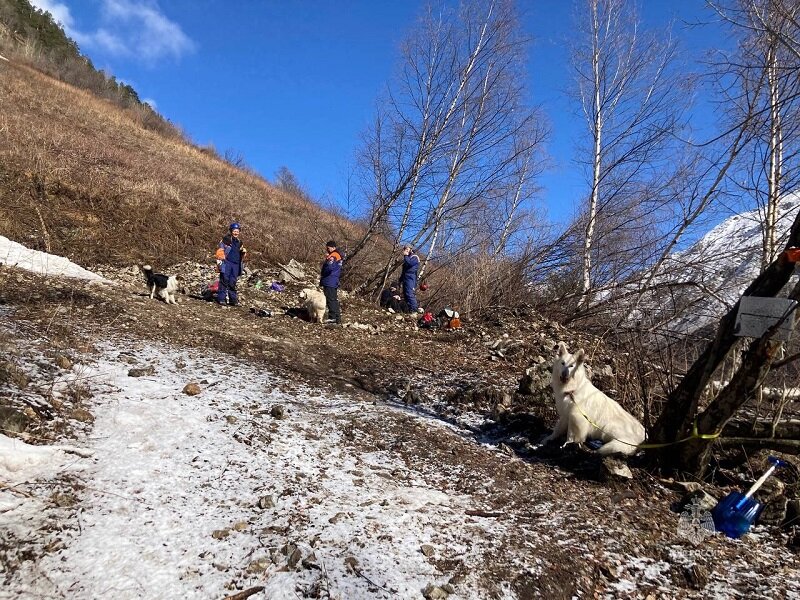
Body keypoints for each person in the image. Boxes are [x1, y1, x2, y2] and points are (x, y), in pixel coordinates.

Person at [215, 222, 247, 306]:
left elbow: (241, 253)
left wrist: (243, 252)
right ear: (231, 231)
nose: (236, 233)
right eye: (234, 231)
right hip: (227, 262)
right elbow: (220, 250)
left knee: (233, 282)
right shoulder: (226, 240)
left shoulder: (240, 242)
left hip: (236, 264)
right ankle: (221, 299)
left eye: (237, 231)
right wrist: (220, 260)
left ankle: (233, 300)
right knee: (224, 280)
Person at [320, 240, 342, 324]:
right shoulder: (338, 255)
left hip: (329, 280)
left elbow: (329, 267)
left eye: (328, 248)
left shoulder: (333, 255)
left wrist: (323, 273)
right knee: (333, 300)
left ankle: (332, 318)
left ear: (333, 247)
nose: (327, 249)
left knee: (330, 300)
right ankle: (337, 319)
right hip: (333, 281)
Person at [400, 245, 420, 313]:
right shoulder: (407, 258)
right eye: (405, 249)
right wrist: (400, 279)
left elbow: (410, 264)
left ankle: (414, 309)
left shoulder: (415, 257)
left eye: (407, 249)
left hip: (410, 277)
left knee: (409, 293)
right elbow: (404, 270)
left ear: (411, 249)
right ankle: (408, 310)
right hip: (405, 278)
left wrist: (405, 255)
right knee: (405, 294)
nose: (406, 250)